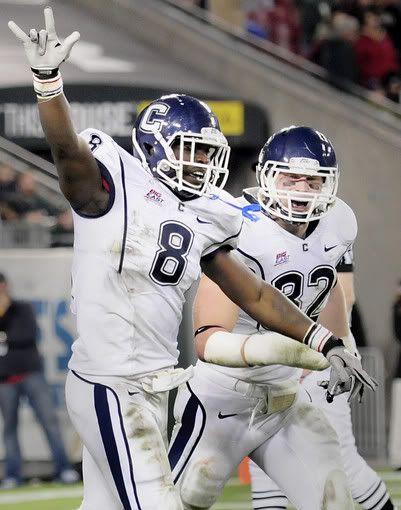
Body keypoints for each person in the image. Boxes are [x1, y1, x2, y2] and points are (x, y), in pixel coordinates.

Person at [9, 9, 375, 509]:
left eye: (207, 153)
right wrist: (49, 84)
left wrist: (324, 340)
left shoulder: (207, 212)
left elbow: (254, 293)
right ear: (155, 146)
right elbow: (66, 151)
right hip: (110, 382)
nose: (202, 163)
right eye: (191, 151)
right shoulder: (113, 187)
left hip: (158, 383)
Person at [169, 126, 377, 510]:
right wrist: (301, 351)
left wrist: (343, 344)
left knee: (334, 500)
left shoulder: (339, 223)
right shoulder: (237, 225)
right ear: (265, 176)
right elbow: (208, 339)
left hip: (283, 399)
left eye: (314, 180)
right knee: (179, 503)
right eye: (290, 177)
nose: (301, 189)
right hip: (221, 399)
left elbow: (325, 283)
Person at [249, 249, 397, 510]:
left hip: (317, 358)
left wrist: (315, 353)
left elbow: (345, 297)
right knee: (265, 461)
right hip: (277, 358)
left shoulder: (331, 225)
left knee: (339, 460)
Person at [0, 273, 79, 488]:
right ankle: (13, 475)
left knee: (49, 422)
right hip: (5, 381)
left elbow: (26, 335)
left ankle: (63, 470)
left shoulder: (21, 308)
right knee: (9, 429)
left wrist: (4, 330)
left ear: (5, 285)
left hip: (31, 375)